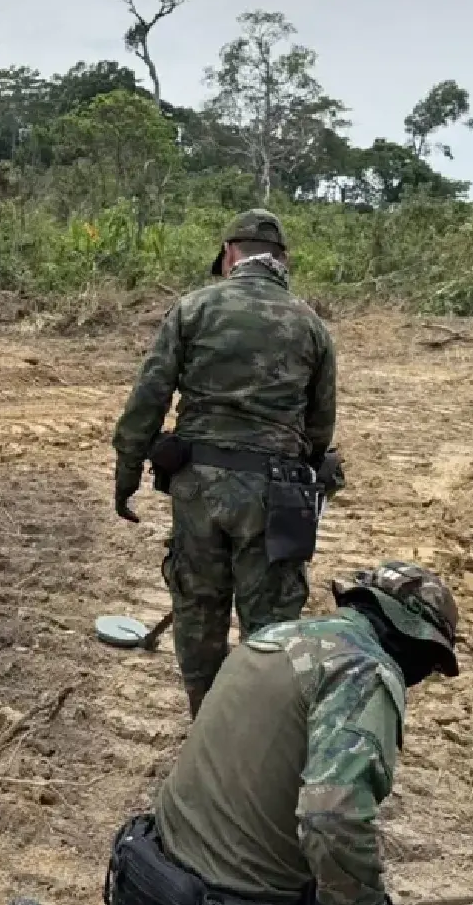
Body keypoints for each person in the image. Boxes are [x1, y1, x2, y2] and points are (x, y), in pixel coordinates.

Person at [0, 562, 462, 905]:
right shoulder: (365, 673)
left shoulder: (278, 636)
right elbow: (332, 822)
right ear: (416, 639)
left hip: (148, 882)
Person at [111, 209, 340, 717]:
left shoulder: (193, 309)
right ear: (283, 260)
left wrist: (128, 472)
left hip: (200, 490)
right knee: (271, 623)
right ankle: (254, 736)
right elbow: (320, 425)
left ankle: (204, 718)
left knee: (198, 607)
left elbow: (149, 397)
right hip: (276, 496)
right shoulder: (310, 324)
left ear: (230, 254)